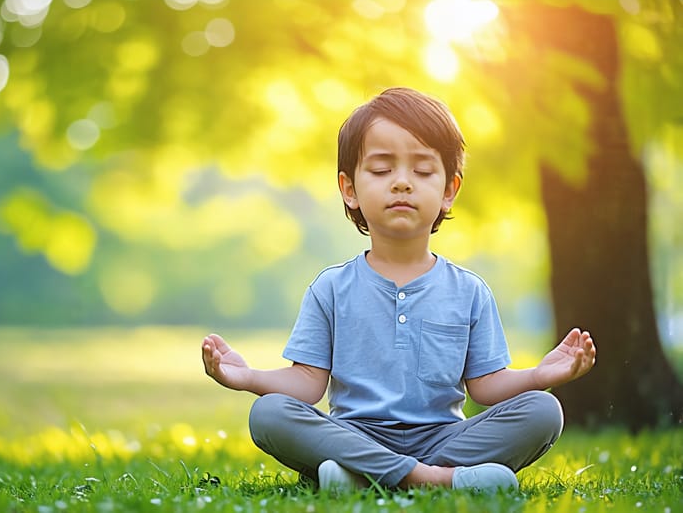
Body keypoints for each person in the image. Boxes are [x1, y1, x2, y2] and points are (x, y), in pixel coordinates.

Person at [200, 87, 597, 493]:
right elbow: (307, 384)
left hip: (443, 439)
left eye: (422, 171)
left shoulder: (470, 291)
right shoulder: (331, 288)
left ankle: (364, 478)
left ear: (448, 191)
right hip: (355, 435)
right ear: (349, 188)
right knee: (268, 414)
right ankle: (434, 481)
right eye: (381, 169)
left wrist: (538, 375)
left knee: (544, 410)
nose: (403, 183)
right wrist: (247, 377)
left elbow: (486, 386)